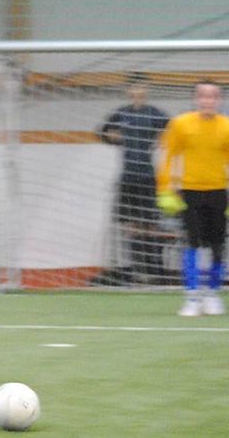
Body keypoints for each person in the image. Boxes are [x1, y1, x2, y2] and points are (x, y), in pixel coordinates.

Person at [157, 80, 229, 316]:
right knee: (192, 243)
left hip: (218, 192)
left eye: (213, 96)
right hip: (189, 192)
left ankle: (212, 294)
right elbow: (168, 156)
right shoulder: (180, 124)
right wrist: (165, 190)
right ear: (196, 99)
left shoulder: (226, 126)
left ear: (219, 100)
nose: (208, 100)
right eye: (203, 96)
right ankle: (192, 296)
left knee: (217, 245)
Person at [93, 75, 170, 285]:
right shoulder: (122, 113)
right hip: (128, 177)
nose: (138, 91)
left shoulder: (154, 113)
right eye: (134, 87)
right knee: (131, 225)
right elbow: (102, 131)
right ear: (129, 90)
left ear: (147, 89)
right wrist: (112, 137)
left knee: (151, 224)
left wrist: (162, 139)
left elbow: (173, 129)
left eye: (141, 87)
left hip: (148, 176)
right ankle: (136, 270)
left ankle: (155, 271)